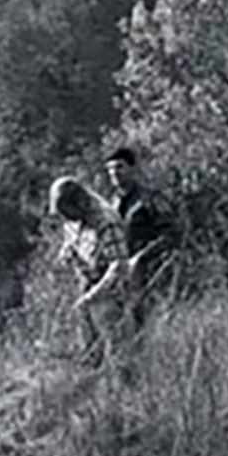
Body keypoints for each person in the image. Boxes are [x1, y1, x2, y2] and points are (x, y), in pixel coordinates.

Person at [49, 174, 124, 365]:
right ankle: (91, 378)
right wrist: (65, 256)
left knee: (115, 349)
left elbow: (119, 265)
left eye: (68, 213)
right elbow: (72, 239)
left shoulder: (106, 221)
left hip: (110, 291)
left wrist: (94, 295)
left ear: (79, 203)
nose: (67, 219)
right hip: (85, 281)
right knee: (89, 349)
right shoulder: (72, 217)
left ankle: (118, 387)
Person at [102, 145, 179, 332]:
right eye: (110, 169)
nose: (114, 173)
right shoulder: (110, 204)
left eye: (119, 167)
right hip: (120, 275)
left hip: (151, 272)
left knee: (149, 323)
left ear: (132, 169)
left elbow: (171, 234)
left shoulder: (150, 199)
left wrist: (143, 257)